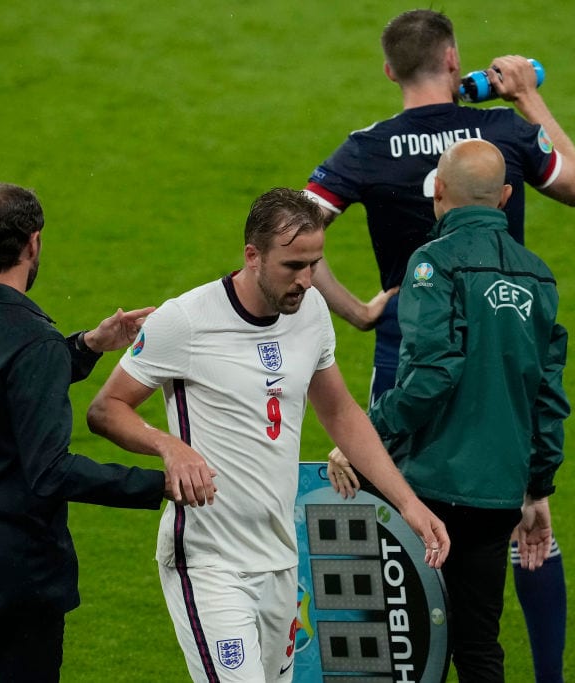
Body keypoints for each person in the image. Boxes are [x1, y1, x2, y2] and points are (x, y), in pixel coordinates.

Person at [304, 10, 575, 681]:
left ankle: (403, 668)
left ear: (388, 69)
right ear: (454, 58)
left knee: (398, 525)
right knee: (524, 515)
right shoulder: (502, 132)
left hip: (406, 363)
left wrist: (357, 311)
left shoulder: (367, 147)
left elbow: (294, 233)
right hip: (503, 355)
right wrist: (526, 92)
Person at [85, 187, 450, 683]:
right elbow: (106, 408)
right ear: (252, 256)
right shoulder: (186, 321)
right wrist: (168, 445)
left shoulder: (312, 314)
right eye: (292, 266)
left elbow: (340, 411)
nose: (305, 280)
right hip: (208, 560)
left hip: (280, 559)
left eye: (314, 264)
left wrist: (407, 503)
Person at [0, 182, 190, 682]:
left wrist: (88, 345)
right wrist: (160, 484)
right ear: (34, 243)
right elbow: (51, 472)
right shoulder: (32, 340)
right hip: (14, 571)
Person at [329, 139, 570, 682]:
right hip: (498, 495)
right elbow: (548, 399)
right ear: (506, 197)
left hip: (429, 489)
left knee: (404, 643)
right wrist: (537, 488)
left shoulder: (432, 264)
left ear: (437, 192)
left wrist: (367, 436)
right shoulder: (539, 276)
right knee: (479, 646)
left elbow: (432, 374)